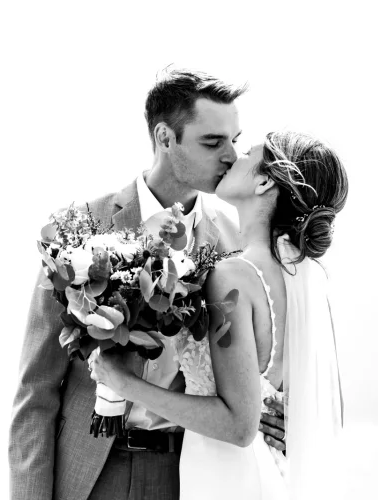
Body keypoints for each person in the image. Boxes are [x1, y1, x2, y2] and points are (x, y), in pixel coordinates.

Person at [9, 68, 288, 500]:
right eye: (212, 142)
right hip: (87, 474)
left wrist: (276, 411)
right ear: (164, 137)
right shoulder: (80, 229)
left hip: (189, 474)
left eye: (234, 140)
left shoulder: (235, 244)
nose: (231, 156)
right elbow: (35, 390)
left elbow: (247, 374)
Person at [90, 130, 348, 499]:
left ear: (263, 181)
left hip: (228, 475)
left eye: (245, 153)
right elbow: (313, 398)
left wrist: (124, 383)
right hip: (269, 471)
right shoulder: (306, 278)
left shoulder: (233, 276)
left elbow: (239, 425)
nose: (231, 157)